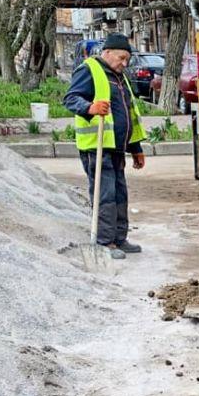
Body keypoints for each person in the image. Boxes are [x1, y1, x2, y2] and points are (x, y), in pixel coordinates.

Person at [64, 33, 146, 259]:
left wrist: (136, 147)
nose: (124, 63)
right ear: (107, 52)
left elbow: (129, 115)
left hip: (117, 147)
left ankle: (120, 238)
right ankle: (105, 241)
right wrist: (90, 107)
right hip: (96, 146)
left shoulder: (119, 77)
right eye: (121, 58)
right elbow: (71, 98)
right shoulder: (89, 69)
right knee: (105, 194)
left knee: (120, 194)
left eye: (127, 59)